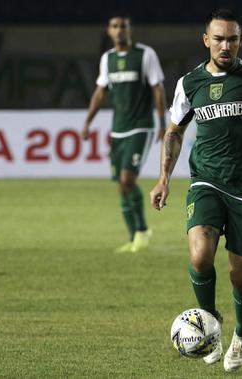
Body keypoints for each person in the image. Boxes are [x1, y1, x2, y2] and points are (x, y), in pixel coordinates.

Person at [150, 9, 242, 372]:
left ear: (240, 40)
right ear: (206, 40)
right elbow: (174, 133)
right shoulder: (189, 83)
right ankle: (210, 325)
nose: (225, 45)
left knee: (240, 275)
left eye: (232, 39)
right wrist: (164, 178)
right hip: (206, 181)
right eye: (218, 39)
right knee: (200, 256)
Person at [82, 14, 167, 253]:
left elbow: (157, 88)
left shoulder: (145, 55)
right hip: (118, 128)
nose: (119, 30)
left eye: (123, 26)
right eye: (115, 26)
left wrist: (161, 121)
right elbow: (100, 92)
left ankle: (140, 232)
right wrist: (88, 121)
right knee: (121, 185)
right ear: (109, 31)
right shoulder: (107, 59)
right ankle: (135, 236)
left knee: (127, 180)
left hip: (141, 126)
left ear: (130, 30)